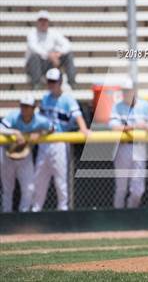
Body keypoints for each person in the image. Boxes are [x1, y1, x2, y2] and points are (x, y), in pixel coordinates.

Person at [31, 68, 89, 212]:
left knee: (61, 180)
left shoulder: (67, 99)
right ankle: (35, 210)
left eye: (54, 82)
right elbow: (41, 119)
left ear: (60, 82)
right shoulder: (46, 98)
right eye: (49, 82)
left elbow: (77, 116)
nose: (51, 85)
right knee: (39, 179)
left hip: (60, 142)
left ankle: (63, 210)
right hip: (45, 142)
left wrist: (84, 129)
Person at [0, 96, 53, 212]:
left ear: (33, 108)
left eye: (27, 107)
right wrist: (14, 132)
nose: (24, 109)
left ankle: (23, 216)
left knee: (29, 188)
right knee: (7, 189)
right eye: (23, 106)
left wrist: (40, 132)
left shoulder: (39, 120)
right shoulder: (14, 116)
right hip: (6, 154)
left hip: (25, 155)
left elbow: (51, 127)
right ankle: (6, 216)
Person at [109, 80, 148, 209]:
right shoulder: (117, 106)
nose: (125, 93)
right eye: (123, 91)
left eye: (128, 90)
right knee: (121, 187)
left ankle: (131, 212)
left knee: (138, 189)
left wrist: (144, 125)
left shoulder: (144, 105)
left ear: (134, 91)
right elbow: (114, 127)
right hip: (123, 147)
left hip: (139, 147)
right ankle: (118, 217)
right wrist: (134, 127)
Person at [25, 10, 77, 89]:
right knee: (34, 57)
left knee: (69, 55)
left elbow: (67, 44)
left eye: (45, 20)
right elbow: (33, 47)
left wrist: (58, 54)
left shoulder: (53, 33)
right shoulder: (32, 33)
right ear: (37, 22)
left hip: (51, 63)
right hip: (37, 64)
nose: (43, 23)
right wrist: (49, 55)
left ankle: (72, 82)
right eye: (41, 20)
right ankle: (36, 83)